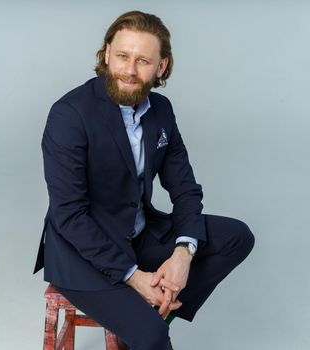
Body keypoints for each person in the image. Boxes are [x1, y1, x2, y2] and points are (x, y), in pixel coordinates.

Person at [33, 10, 255, 350]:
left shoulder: (161, 110)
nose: (130, 70)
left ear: (161, 67)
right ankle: (149, 322)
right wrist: (133, 277)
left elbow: (184, 188)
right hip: (83, 254)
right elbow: (69, 217)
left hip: (138, 234)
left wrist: (182, 255)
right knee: (153, 337)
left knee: (237, 237)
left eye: (143, 61)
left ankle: (162, 305)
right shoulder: (69, 115)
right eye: (122, 56)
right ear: (107, 54)